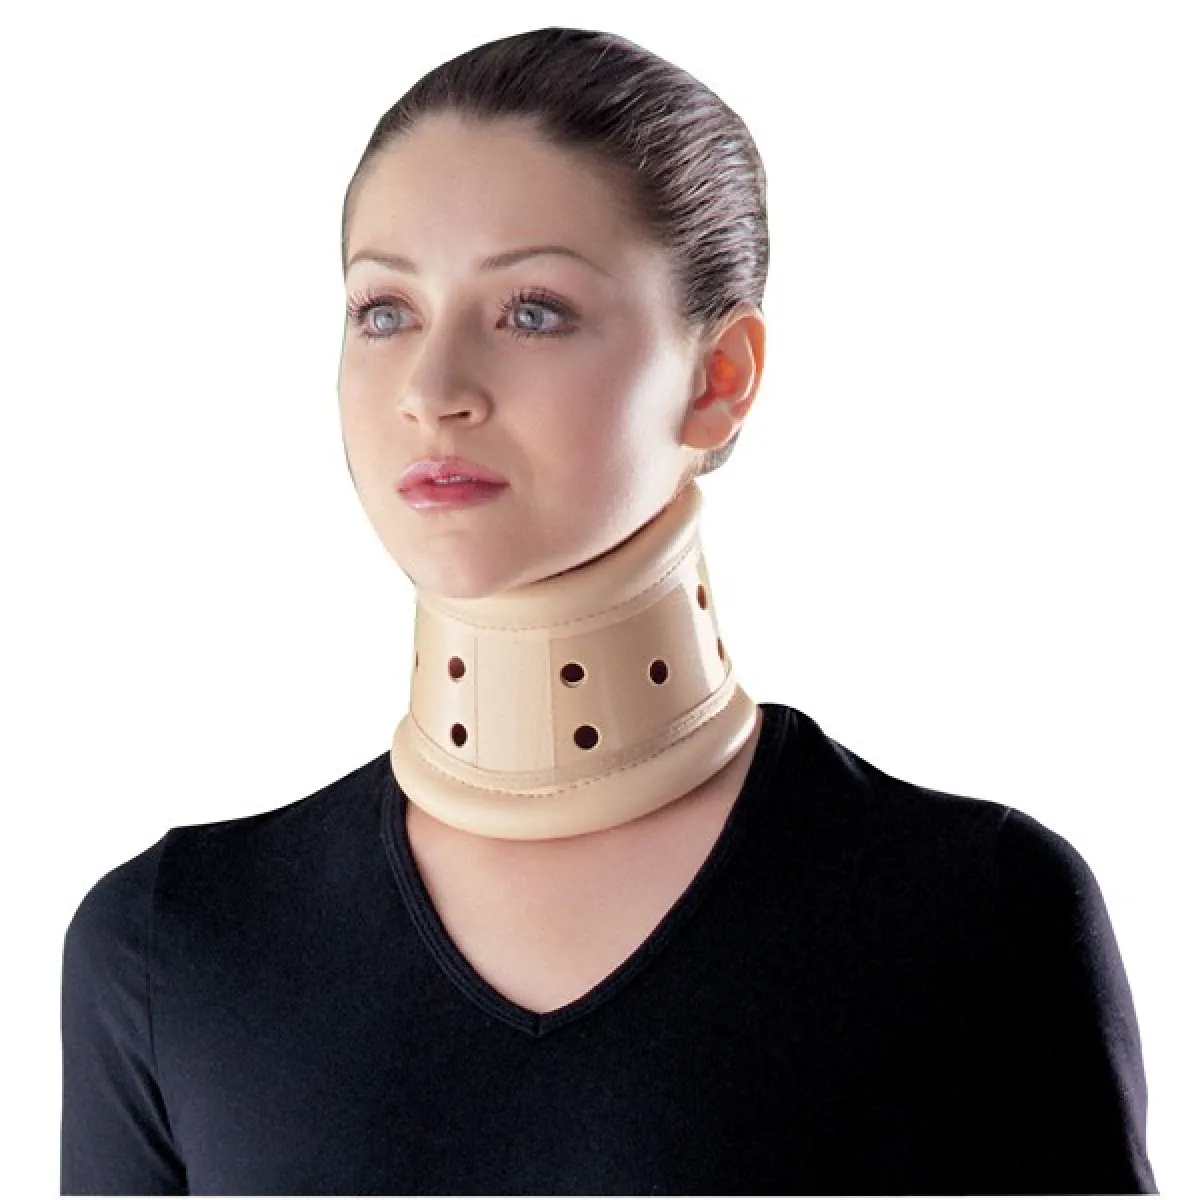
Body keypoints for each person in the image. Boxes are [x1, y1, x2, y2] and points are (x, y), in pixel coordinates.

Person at [60, 26, 1157, 1196]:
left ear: (720, 376)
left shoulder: (976, 913)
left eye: (532, 310)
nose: (433, 390)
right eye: (384, 310)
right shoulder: (170, 944)